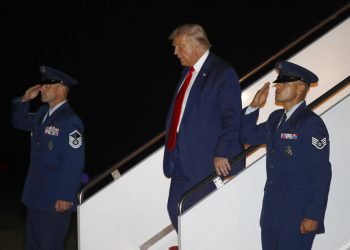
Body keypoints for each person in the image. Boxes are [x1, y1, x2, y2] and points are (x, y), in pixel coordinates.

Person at [163, 23, 245, 236]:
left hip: (207, 160)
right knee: (175, 209)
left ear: (195, 45)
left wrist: (223, 152)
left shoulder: (222, 72)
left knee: (205, 216)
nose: (175, 52)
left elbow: (232, 117)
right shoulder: (187, 73)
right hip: (181, 158)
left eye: (179, 46)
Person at [240, 60, 332, 250]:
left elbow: (321, 172)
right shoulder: (275, 119)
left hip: (297, 216)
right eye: (278, 82)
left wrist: (313, 215)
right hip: (272, 216)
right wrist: (253, 108)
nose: (277, 86)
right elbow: (246, 136)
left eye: (284, 83)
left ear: (299, 88)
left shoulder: (310, 123)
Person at [11, 65, 85, 250]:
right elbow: (18, 122)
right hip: (35, 195)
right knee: (33, 246)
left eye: (47, 84)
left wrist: (66, 196)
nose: (42, 87)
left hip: (55, 199)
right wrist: (25, 100)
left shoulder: (70, 121)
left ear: (61, 88)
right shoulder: (43, 114)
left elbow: (74, 162)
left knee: (49, 246)